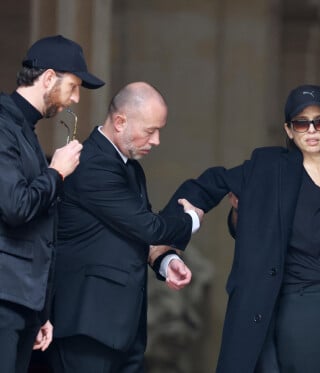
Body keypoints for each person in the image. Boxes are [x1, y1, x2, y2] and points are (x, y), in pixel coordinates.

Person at [162, 84, 320, 373]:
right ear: (288, 130)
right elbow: (211, 183)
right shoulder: (268, 168)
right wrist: (175, 225)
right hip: (297, 306)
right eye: (301, 123)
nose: (311, 130)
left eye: (319, 121)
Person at [48, 82, 203, 373]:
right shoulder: (90, 163)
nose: (156, 140)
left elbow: (134, 232)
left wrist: (165, 261)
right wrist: (190, 219)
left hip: (123, 330)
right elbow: (147, 226)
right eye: (150, 130)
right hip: (88, 326)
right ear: (120, 121)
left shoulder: (130, 167)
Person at [0, 34, 104, 373]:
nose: (74, 99)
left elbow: (39, 230)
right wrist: (56, 173)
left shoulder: (24, 130)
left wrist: (40, 311)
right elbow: (16, 207)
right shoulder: (3, 124)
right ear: (48, 78)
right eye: (72, 87)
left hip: (21, 302)